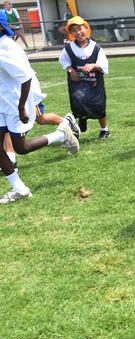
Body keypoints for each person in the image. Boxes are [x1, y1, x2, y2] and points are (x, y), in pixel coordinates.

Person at [0, 12, 80, 204]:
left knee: (22, 148)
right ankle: (19, 189)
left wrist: (21, 107)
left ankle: (61, 135)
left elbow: (25, 77)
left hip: (14, 103)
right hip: (3, 102)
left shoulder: (5, 47)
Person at [59, 16, 111, 139]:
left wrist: (93, 65)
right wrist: (71, 70)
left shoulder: (96, 47)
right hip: (77, 83)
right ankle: (81, 119)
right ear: (71, 33)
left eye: (80, 28)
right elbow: (64, 61)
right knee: (78, 104)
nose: (78, 32)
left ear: (86, 28)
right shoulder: (68, 48)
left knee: (99, 106)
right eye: (74, 31)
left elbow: (103, 65)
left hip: (94, 83)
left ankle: (104, 130)